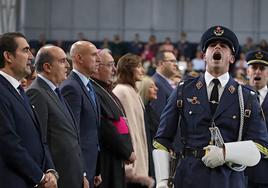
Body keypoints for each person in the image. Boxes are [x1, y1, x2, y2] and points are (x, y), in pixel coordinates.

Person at [153, 25, 268, 188]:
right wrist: (163, 181)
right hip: (188, 178)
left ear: (232, 58)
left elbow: (261, 145)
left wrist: (225, 153)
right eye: (212, 45)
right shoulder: (183, 90)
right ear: (204, 56)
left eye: (224, 45)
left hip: (229, 180)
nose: (218, 47)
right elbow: (162, 139)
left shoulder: (246, 96)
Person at [0, 32, 58, 188]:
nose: (31, 57)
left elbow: (39, 137)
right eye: (25, 50)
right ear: (8, 56)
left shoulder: (19, 90)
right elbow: (8, 143)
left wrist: (50, 169)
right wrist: (40, 177)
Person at [26, 45, 89, 188]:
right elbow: (39, 140)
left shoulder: (56, 91)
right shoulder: (36, 93)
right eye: (62, 61)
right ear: (47, 67)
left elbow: (73, 137)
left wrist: (82, 174)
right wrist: (48, 173)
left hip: (73, 175)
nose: (68, 65)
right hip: (58, 178)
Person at [91, 49, 136, 188]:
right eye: (110, 65)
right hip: (106, 160)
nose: (114, 69)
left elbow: (120, 122)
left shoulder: (106, 90)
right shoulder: (95, 90)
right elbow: (107, 127)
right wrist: (127, 151)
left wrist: (128, 149)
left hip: (117, 158)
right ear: (97, 66)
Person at [60, 41, 101, 188]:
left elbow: (92, 130)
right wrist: (82, 172)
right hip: (79, 170)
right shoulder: (71, 87)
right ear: (78, 58)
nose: (99, 59)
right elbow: (72, 134)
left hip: (90, 165)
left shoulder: (88, 85)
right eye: (94, 55)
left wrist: (96, 169)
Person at [113, 53, 155, 188]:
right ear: (128, 69)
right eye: (138, 66)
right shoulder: (122, 91)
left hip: (139, 160)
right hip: (132, 163)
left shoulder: (131, 91)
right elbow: (128, 130)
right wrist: (132, 163)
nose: (142, 70)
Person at [245, 50, 268, 188]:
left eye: (262, 68)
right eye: (254, 67)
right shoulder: (237, 96)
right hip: (242, 168)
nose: (257, 72)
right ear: (248, 71)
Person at [150, 51, 178, 118]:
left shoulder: (164, 81)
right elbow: (158, 115)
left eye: (176, 61)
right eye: (172, 61)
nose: (176, 64)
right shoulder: (156, 83)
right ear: (161, 63)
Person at [137, 76, 159, 142]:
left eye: (155, 86)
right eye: (151, 87)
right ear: (144, 89)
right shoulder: (140, 110)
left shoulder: (150, 109)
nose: (156, 89)